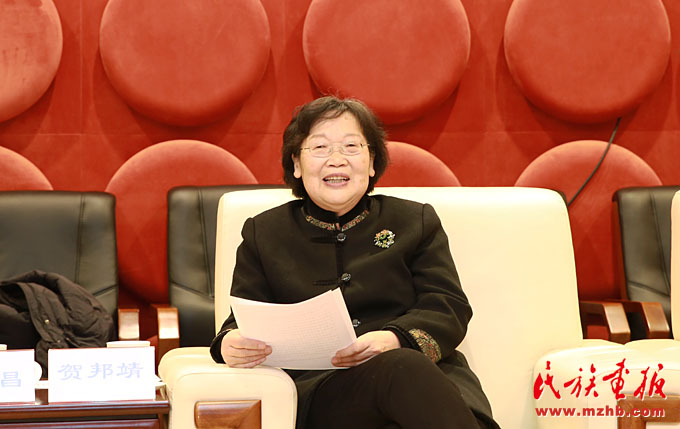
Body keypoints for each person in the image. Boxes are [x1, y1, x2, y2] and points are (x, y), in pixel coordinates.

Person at [210, 96, 499, 429]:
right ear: (296, 164)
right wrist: (229, 344)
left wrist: (393, 339)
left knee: (403, 371)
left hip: (424, 383)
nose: (337, 160)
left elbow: (447, 306)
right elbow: (242, 319)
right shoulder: (264, 232)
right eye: (320, 148)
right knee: (400, 371)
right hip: (325, 392)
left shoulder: (414, 221)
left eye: (351, 146)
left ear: (372, 162)